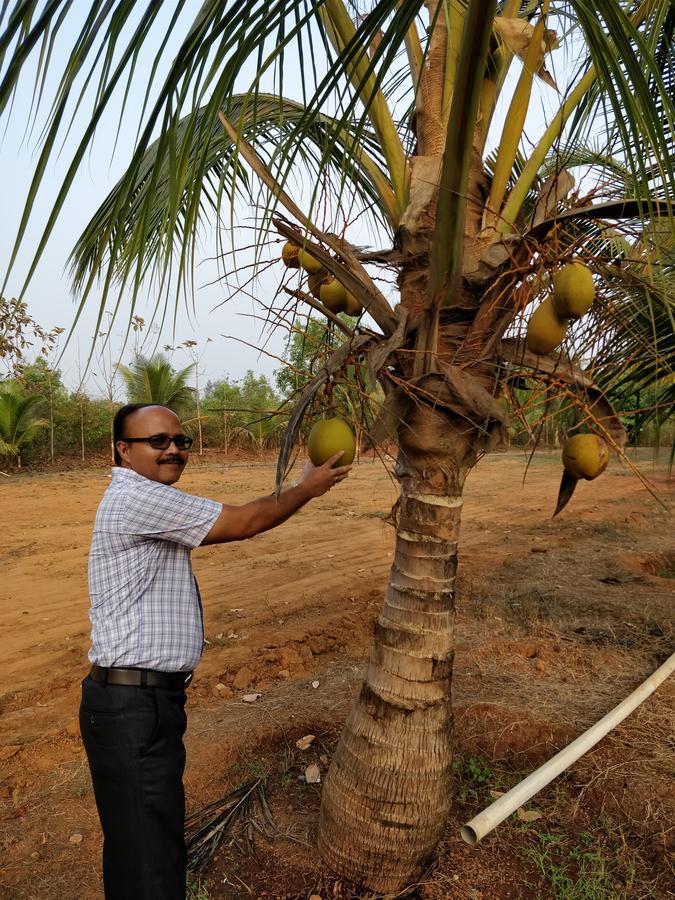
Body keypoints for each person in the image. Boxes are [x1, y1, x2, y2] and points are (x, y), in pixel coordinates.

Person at [79, 402, 351, 900]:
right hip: (131, 709)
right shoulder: (137, 498)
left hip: (141, 705)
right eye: (158, 441)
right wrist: (307, 488)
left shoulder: (147, 498)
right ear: (123, 450)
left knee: (146, 848)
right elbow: (244, 521)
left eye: (181, 442)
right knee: (149, 863)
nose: (174, 450)